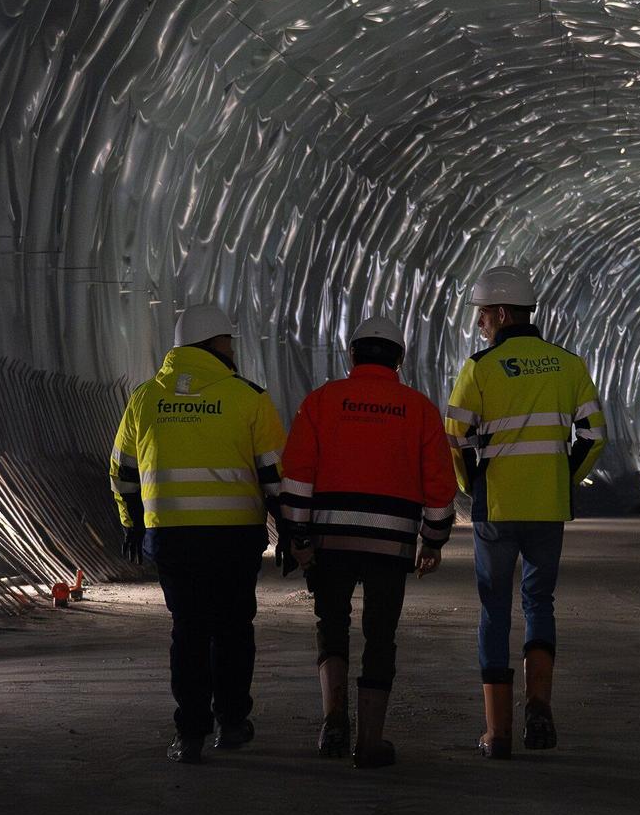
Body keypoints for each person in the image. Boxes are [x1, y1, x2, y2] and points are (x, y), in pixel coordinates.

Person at [277, 314, 456, 769]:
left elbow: (297, 478)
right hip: (391, 546)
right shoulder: (418, 409)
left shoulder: (321, 402)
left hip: (331, 541)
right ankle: (370, 743)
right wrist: (432, 541)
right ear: (399, 358)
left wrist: (298, 536)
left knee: (331, 624)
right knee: (380, 635)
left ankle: (333, 717)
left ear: (352, 354)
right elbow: (439, 484)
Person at [110, 303, 286, 763]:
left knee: (187, 629)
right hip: (233, 538)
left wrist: (132, 523)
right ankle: (230, 722)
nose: (232, 348)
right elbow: (275, 475)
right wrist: (290, 530)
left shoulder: (145, 398)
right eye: (228, 341)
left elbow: (123, 472)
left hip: (172, 537)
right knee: (232, 628)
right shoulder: (249, 397)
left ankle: (188, 732)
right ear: (215, 344)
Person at [444, 266, 607, 759]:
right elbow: (595, 438)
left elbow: (455, 436)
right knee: (539, 603)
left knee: (494, 609)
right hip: (547, 509)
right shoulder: (569, 365)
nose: (478, 326)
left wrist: (469, 485)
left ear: (500, 313)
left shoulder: (480, 367)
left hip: (497, 508)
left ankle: (497, 733)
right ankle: (540, 706)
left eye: (481, 316)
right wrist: (564, 479)